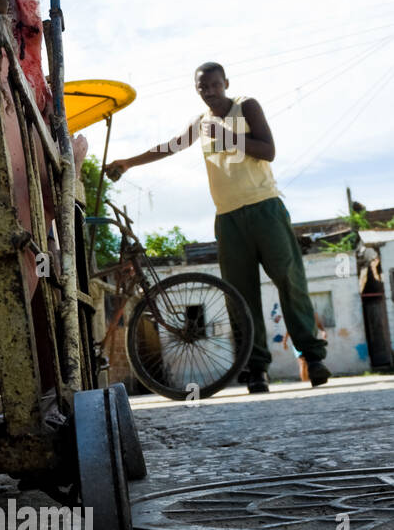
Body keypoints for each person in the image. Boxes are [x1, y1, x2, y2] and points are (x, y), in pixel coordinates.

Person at [107, 63, 330, 393]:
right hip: (228, 218)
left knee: (288, 280)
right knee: (239, 295)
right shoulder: (201, 123)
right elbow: (170, 146)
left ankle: (313, 359)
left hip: (265, 208)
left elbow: (268, 150)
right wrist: (128, 162)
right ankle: (256, 370)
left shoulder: (246, 106)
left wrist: (229, 137)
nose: (209, 91)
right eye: (202, 87)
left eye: (214, 85)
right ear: (197, 90)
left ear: (225, 83)